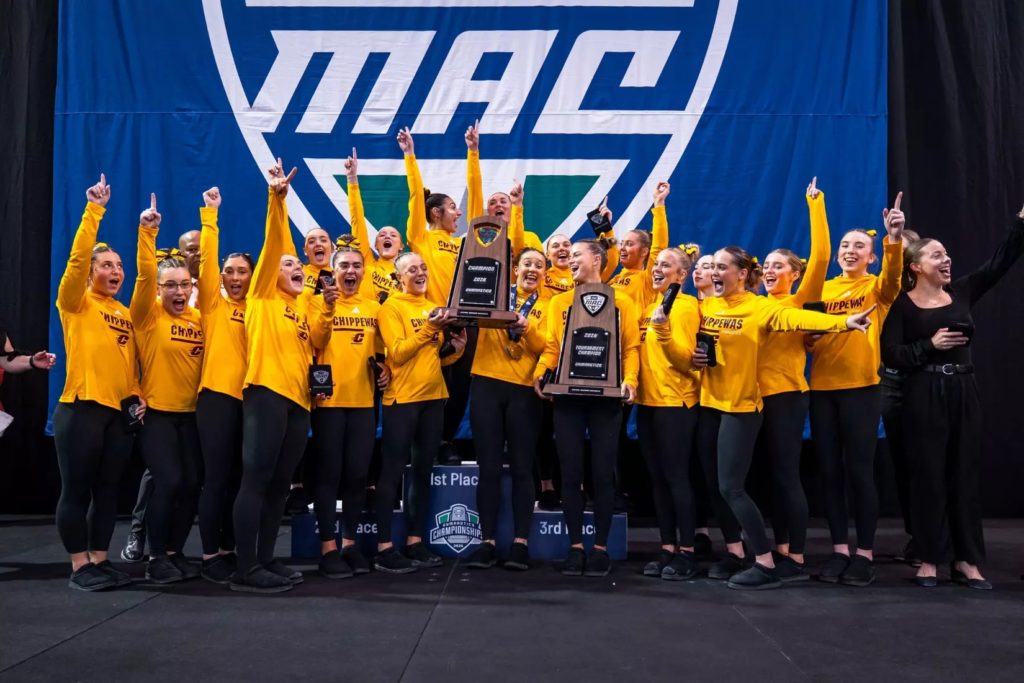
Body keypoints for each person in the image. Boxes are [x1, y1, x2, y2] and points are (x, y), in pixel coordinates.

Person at [695, 246, 875, 590]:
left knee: (748, 483)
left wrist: (843, 323)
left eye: (722, 267)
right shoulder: (709, 306)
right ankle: (766, 554)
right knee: (738, 484)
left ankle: (779, 559)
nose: (715, 272)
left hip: (754, 403)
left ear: (742, 274)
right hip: (723, 403)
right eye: (712, 266)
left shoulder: (763, 307)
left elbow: (798, 319)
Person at [881, 204, 1024, 589]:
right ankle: (929, 558)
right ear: (916, 267)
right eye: (936, 255)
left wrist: (1021, 223)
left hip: (963, 390)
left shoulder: (961, 291)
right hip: (923, 392)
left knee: (964, 474)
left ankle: (967, 561)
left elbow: (999, 263)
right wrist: (929, 345)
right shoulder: (902, 305)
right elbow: (890, 355)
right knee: (928, 475)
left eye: (946, 254)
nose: (946, 260)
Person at [231, 159, 337, 593]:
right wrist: (277, 201)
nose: (295, 267)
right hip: (266, 394)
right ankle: (244, 568)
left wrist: (327, 306)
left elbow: (319, 339)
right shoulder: (261, 296)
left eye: (298, 265)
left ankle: (265, 558)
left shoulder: (299, 307)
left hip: (298, 401)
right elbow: (275, 244)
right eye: (287, 263)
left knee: (280, 485)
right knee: (256, 479)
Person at [807, 192, 905, 586]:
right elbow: (808, 336)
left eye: (859, 246)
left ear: (872, 257)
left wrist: (893, 238)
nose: (850, 250)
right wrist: (811, 337)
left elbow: (895, 277)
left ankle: (864, 554)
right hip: (822, 390)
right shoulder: (823, 290)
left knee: (860, 472)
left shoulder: (877, 289)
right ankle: (839, 551)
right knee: (830, 473)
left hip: (862, 389)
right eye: (845, 245)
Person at [53, 174, 146, 591]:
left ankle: (100, 559)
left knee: (108, 492)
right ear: (90, 272)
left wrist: (137, 396)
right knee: (76, 490)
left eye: (119, 266)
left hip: (117, 415)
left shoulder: (123, 313)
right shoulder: (75, 301)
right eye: (107, 265)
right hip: (82, 408)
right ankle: (79, 566)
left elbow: (130, 365)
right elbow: (76, 261)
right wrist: (94, 211)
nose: (116, 271)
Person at [532, 239, 640, 577]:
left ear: (597, 259)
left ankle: (601, 549)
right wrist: (541, 372)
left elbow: (631, 347)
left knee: (603, 474)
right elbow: (552, 346)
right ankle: (576, 547)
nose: (571, 259)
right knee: (571, 473)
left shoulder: (623, 301)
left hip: (606, 399)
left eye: (577, 254)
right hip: (568, 399)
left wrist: (631, 379)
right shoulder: (559, 302)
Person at [753, 177, 831, 580]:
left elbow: (821, 257)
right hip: (754, 399)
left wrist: (815, 205)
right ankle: (780, 546)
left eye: (778, 265)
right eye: (766, 266)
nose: (770, 270)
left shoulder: (799, 300)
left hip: (786, 396)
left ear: (795, 274)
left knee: (786, 475)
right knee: (767, 477)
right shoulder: (754, 305)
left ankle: (797, 556)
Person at [129, 193, 205, 584]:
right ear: (159, 290)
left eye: (184, 285)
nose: (178, 292)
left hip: (192, 416)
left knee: (191, 485)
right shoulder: (147, 316)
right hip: (157, 414)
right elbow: (144, 275)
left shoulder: (198, 318)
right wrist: (148, 233)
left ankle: (175, 552)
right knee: (169, 481)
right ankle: (156, 557)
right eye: (170, 286)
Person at [374, 252, 466, 573]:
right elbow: (398, 353)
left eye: (423, 267)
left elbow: (434, 357)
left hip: (433, 399)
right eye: (411, 269)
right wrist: (429, 328)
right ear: (399, 277)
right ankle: (384, 547)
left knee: (423, 472)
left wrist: (456, 351)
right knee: (392, 472)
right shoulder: (391, 308)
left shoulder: (432, 307)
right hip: (402, 401)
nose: (419, 273)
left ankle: (415, 542)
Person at [464, 244, 548, 571]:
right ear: (515, 269)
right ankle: (486, 542)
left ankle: (520, 544)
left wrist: (527, 329)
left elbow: (548, 347)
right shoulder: (495, 293)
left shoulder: (551, 304)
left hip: (524, 390)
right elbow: (471, 312)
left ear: (545, 273)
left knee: (523, 468)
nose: (532, 269)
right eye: (527, 263)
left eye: (538, 265)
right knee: (488, 467)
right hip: (486, 383)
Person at [311, 245, 390, 579]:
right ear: (333, 271)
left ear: (364, 271)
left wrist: (386, 367)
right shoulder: (315, 303)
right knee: (329, 475)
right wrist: (328, 307)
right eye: (344, 265)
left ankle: (350, 544)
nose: (351, 271)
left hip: (363, 403)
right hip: (329, 403)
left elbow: (382, 350)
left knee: (358, 475)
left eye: (357, 265)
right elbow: (316, 341)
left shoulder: (374, 307)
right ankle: (327, 548)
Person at [399, 126, 468, 466]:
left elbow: (479, 205)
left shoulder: (462, 244)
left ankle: (446, 441)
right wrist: (410, 157)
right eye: (453, 207)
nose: (459, 213)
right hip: (434, 323)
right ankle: (423, 444)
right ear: (436, 212)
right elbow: (416, 198)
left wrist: (473, 153)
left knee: (459, 391)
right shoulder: (422, 239)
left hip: (462, 324)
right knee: (433, 390)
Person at [195, 187, 252, 584]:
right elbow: (206, 261)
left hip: (251, 402)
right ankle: (209, 554)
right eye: (228, 271)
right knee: (215, 478)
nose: (234, 277)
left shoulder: (260, 308)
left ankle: (231, 549)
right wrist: (211, 216)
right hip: (217, 398)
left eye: (242, 271)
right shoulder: (213, 305)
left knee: (238, 479)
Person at [635, 247, 701, 580]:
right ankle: (667, 546)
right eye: (656, 264)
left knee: (676, 478)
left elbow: (687, 360)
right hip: (648, 405)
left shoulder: (685, 307)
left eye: (666, 265)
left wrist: (662, 331)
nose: (657, 269)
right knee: (658, 480)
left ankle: (687, 551)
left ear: (682, 274)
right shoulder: (650, 308)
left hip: (676, 404)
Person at [878, 228, 921, 565]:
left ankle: (938, 537)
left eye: (903, 251)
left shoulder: (933, 291)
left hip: (924, 382)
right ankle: (916, 536)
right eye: (891, 251)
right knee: (904, 464)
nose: (897, 257)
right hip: (891, 382)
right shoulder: (882, 288)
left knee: (928, 463)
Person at [344, 148, 403, 303]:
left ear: (401, 246)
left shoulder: (408, 275)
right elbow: (357, 220)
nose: (387, 237)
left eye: (393, 235)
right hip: (366, 317)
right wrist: (351, 179)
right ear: (376, 245)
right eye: (382, 235)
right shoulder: (366, 263)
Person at [610, 182, 669, 310]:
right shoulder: (614, 280)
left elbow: (659, 247)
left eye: (629, 244)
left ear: (644, 252)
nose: (622, 248)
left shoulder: (647, 279)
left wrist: (659, 203)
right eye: (622, 243)